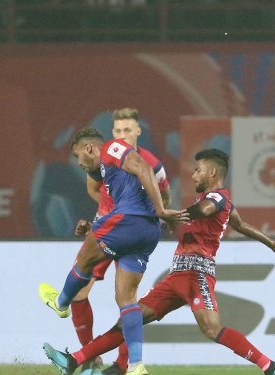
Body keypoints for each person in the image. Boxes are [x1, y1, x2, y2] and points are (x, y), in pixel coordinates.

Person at [44, 149, 275, 375]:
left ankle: (269, 367)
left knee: (212, 328)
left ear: (212, 172)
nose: (194, 175)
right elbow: (240, 225)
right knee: (129, 320)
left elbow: (207, 210)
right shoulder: (213, 201)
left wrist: (178, 216)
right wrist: (271, 243)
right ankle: (74, 360)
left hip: (197, 274)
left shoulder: (218, 197)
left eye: (198, 170)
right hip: (177, 277)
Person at [38, 127, 186, 375]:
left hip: (132, 219)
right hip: (147, 232)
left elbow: (143, 168)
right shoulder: (109, 174)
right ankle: (136, 365)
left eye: (77, 156)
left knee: (84, 259)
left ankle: (61, 303)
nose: (78, 162)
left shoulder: (111, 149)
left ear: (89, 148)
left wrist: (161, 209)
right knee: (126, 299)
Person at [70, 108, 171, 374]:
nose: (122, 135)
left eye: (128, 130)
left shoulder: (152, 164)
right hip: (108, 227)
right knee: (79, 292)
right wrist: (103, 219)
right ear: (112, 133)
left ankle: (124, 363)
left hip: (132, 228)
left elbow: (165, 195)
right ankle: (91, 358)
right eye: (117, 131)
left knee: (126, 298)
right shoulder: (104, 157)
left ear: (138, 131)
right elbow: (93, 188)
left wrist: (156, 215)